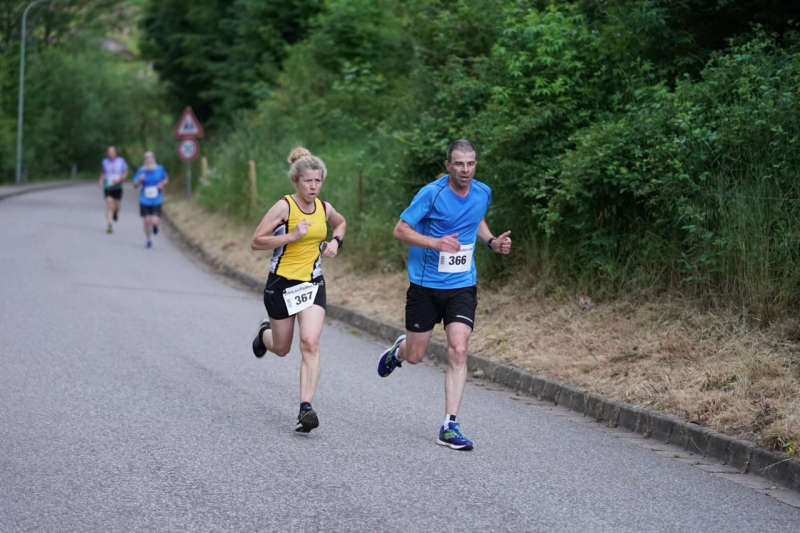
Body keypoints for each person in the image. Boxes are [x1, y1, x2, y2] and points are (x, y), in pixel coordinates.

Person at [376, 139, 512, 451]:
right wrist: (434, 243)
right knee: (415, 355)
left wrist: (491, 242)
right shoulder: (431, 194)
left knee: (459, 349)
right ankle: (400, 350)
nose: (465, 170)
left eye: (471, 163)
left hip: (462, 284)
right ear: (449, 165)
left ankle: (450, 424)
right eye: (459, 164)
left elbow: (475, 218)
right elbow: (400, 230)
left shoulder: (482, 192)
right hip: (425, 286)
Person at [250, 146, 347, 433]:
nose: (314, 186)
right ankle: (263, 334)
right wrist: (291, 236)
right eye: (308, 181)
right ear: (296, 181)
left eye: (318, 181)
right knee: (281, 348)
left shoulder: (324, 208)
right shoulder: (284, 207)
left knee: (310, 342)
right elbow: (256, 241)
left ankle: (305, 408)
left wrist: (336, 243)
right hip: (281, 284)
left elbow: (340, 223)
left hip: (312, 283)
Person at [132, 151, 169, 248]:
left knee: (155, 221)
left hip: (157, 199)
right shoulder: (141, 170)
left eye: (150, 159)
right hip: (144, 200)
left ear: (153, 159)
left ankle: (156, 226)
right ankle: (148, 240)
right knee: (147, 221)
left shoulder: (160, 169)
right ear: (144, 161)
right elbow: (135, 185)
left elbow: (166, 179)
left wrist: (162, 184)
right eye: (147, 159)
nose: (149, 161)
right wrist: (139, 180)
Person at [98, 146, 128, 233]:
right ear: (107, 153)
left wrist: (120, 179)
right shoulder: (104, 162)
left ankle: (115, 213)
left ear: (115, 153)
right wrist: (100, 180)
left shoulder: (121, 161)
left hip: (118, 186)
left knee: (117, 207)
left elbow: (125, 173)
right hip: (108, 185)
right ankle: (109, 224)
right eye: (109, 152)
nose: (110, 153)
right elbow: (103, 173)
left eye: (112, 152)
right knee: (109, 203)